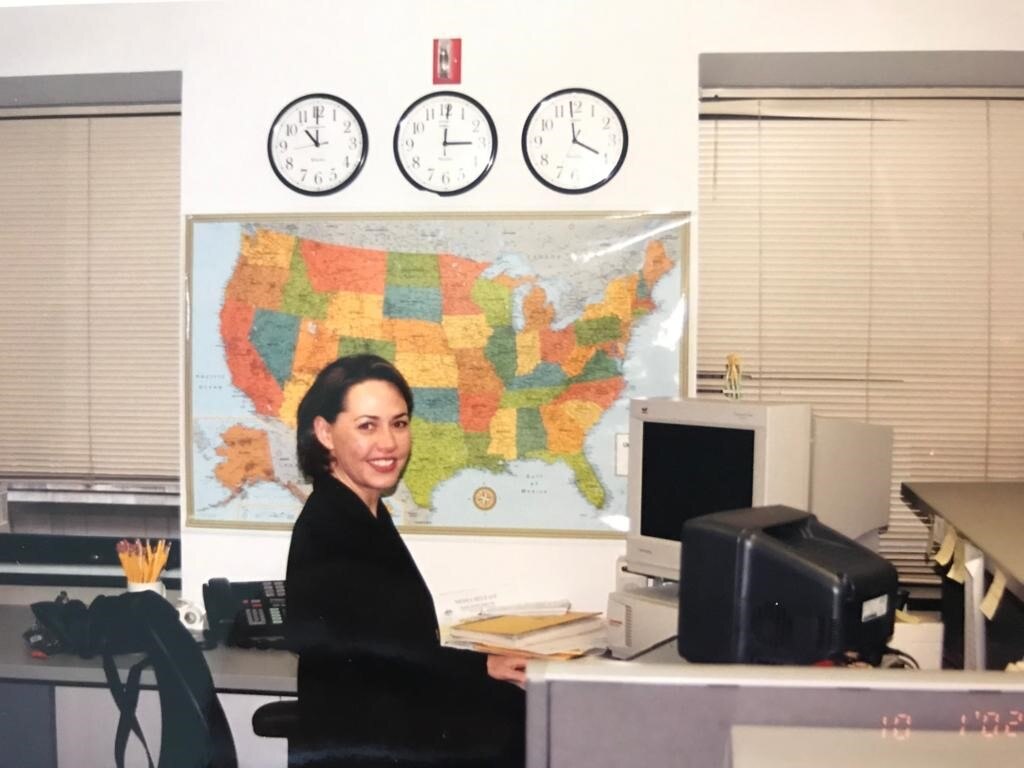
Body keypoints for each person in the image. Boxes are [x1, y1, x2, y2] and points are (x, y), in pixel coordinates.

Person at [285, 353, 527, 767]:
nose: (389, 443)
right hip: (372, 745)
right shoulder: (332, 526)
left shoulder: (362, 513)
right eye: (367, 426)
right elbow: (379, 653)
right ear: (325, 432)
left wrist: (486, 664)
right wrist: (485, 665)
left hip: (384, 725)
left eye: (398, 423)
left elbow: (391, 643)